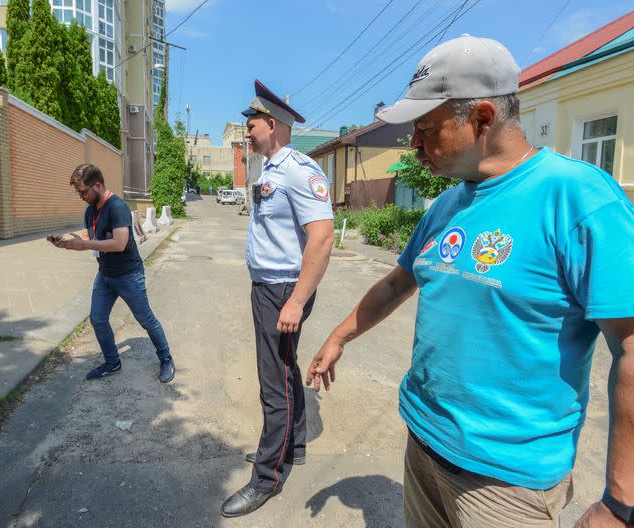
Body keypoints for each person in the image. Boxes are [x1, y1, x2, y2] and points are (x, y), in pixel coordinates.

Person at [306, 35, 634, 527]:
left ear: (483, 118)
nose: (414, 145)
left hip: (507, 485)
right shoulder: (447, 204)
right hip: (424, 444)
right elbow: (398, 284)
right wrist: (338, 336)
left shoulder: (578, 198)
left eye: (426, 129)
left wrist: (620, 503)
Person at [220, 80, 335, 518]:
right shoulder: (270, 168)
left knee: (274, 383)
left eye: (250, 126)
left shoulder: (298, 169)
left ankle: (266, 477)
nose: (246, 133)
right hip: (270, 286)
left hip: (283, 289)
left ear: (272, 124)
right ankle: (295, 444)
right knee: (284, 369)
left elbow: (321, 240)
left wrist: (295, 301)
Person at [49, 164, 175, 384]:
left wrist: (85, 245)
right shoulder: (90, 210)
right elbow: (88, 235)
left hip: (128, 275)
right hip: (105, 274)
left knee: (145, 319)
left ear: (97, 184)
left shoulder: (117, 206)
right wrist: (68, 243)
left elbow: (119, 243)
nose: (81, 196)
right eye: (78, 192)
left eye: (83, 191)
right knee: (98, 319)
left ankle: (166, 358)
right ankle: (112, 361)